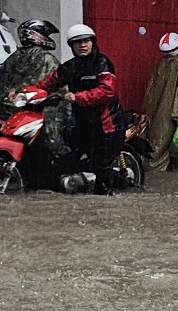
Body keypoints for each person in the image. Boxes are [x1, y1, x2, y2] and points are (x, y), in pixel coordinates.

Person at [54, 22, 126, 191]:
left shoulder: (102, 63)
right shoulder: (70, 66)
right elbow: (49, 81)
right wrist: (24, 92)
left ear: (93, 42)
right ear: (72, 45)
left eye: (86, 41)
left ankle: (105, 200)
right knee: (67, 160)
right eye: (78, 42)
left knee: (102, 170)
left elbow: (106, 91)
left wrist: (77, 97)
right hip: (82, 124)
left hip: (107, 126)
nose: (83, 45)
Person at [142, 31, 178, 169]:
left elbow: (150, 92)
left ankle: (149, 167)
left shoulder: (161, 64)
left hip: (155, 112)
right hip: (170, 113)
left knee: (154, 141)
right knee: (163, 143)